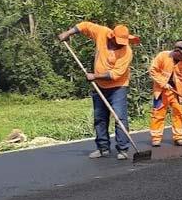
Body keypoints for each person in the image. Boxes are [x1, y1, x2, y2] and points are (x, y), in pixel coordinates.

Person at [58, 22, 139, 160]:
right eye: (118, 41)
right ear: (112, 36)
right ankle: (103, 148)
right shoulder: (102, 32)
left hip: (118, 87)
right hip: (99, 86)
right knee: (100, 118)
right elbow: (84, 26)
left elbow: (115, 74)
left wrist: (94, 76)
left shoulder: (127, 52)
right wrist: (68, 33)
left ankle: (123, 149)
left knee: (119, 117)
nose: (121, 44)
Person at [149, 41, 182, 147]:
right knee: (158, 114)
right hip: (162, 91)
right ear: (176, 51)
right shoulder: (163, 56)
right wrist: (163, 83)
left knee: (178, 113)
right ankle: (156, 138)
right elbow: (153, 70)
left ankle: (179, 137)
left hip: (177, 93)